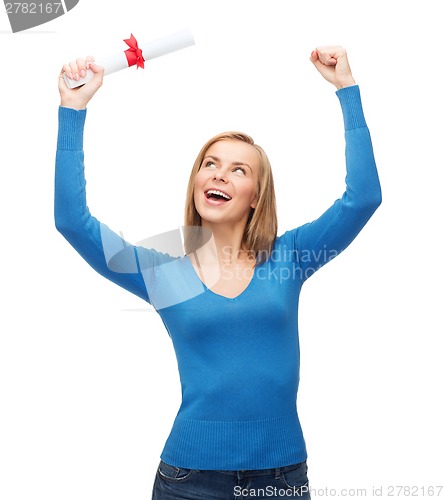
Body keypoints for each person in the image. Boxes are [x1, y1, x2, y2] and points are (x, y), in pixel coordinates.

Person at [55, 46, 382, 499]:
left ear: (255, 196)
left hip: (280, 478)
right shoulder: (164, 272)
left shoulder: (290, 257)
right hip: (188, 480)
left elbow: (362, 198)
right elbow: (73, 221)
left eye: (238, 169)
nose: (219, 175)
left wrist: (347, 89)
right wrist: (73, 110)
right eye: (210, 164)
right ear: (195, 183)